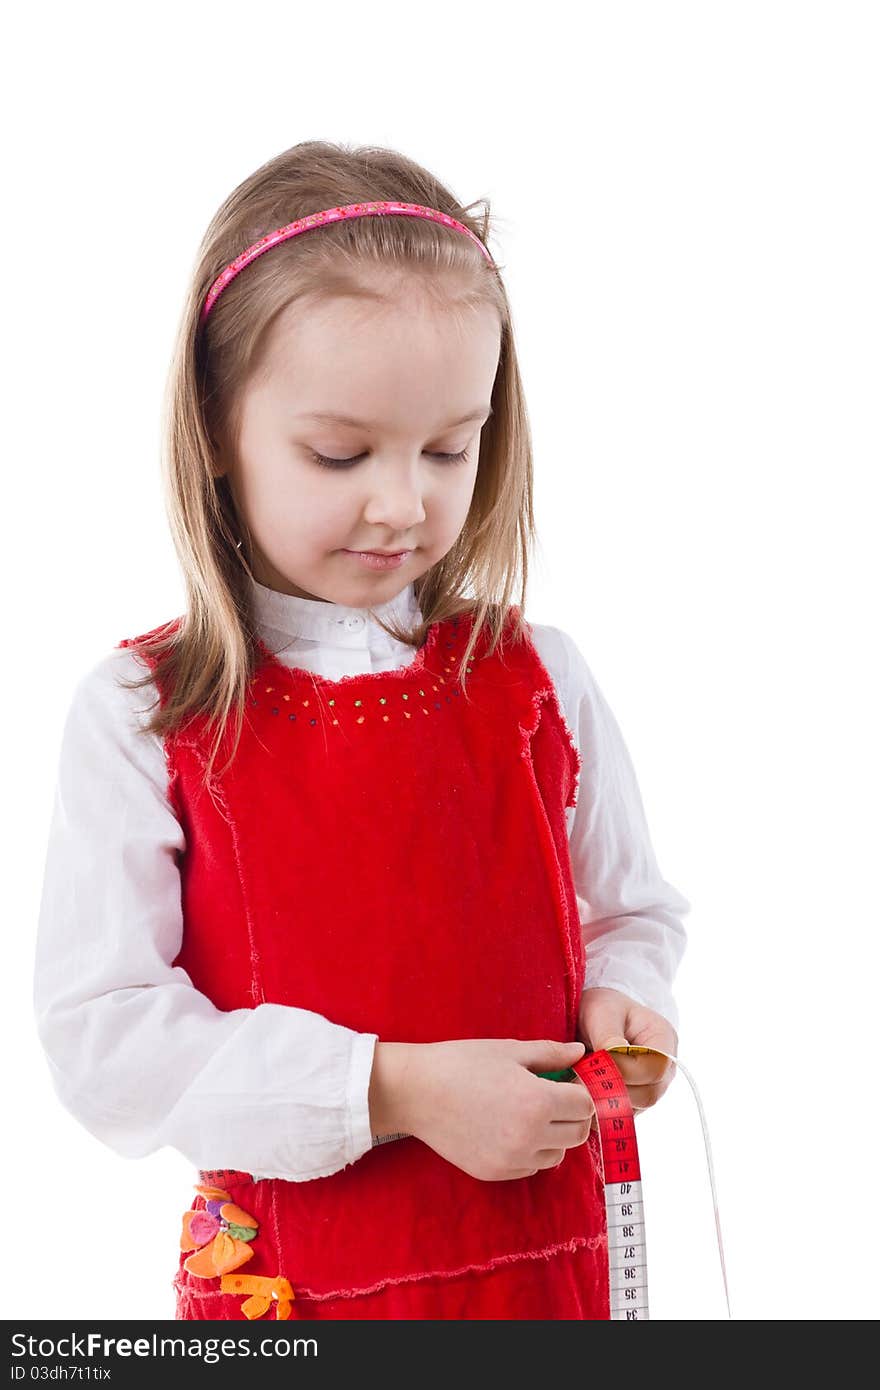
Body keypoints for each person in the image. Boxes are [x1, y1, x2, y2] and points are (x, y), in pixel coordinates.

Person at [33, 141, 691, 1321]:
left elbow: (629, 912)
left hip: (556, 1271)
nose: (405, 503)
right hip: (298, 1296)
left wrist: (621, 1002)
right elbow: (107, 1041)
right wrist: (393, 1090)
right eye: (341, 453)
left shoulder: (540, 679)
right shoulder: (146, 715)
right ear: (219, 434)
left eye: (449, 446)